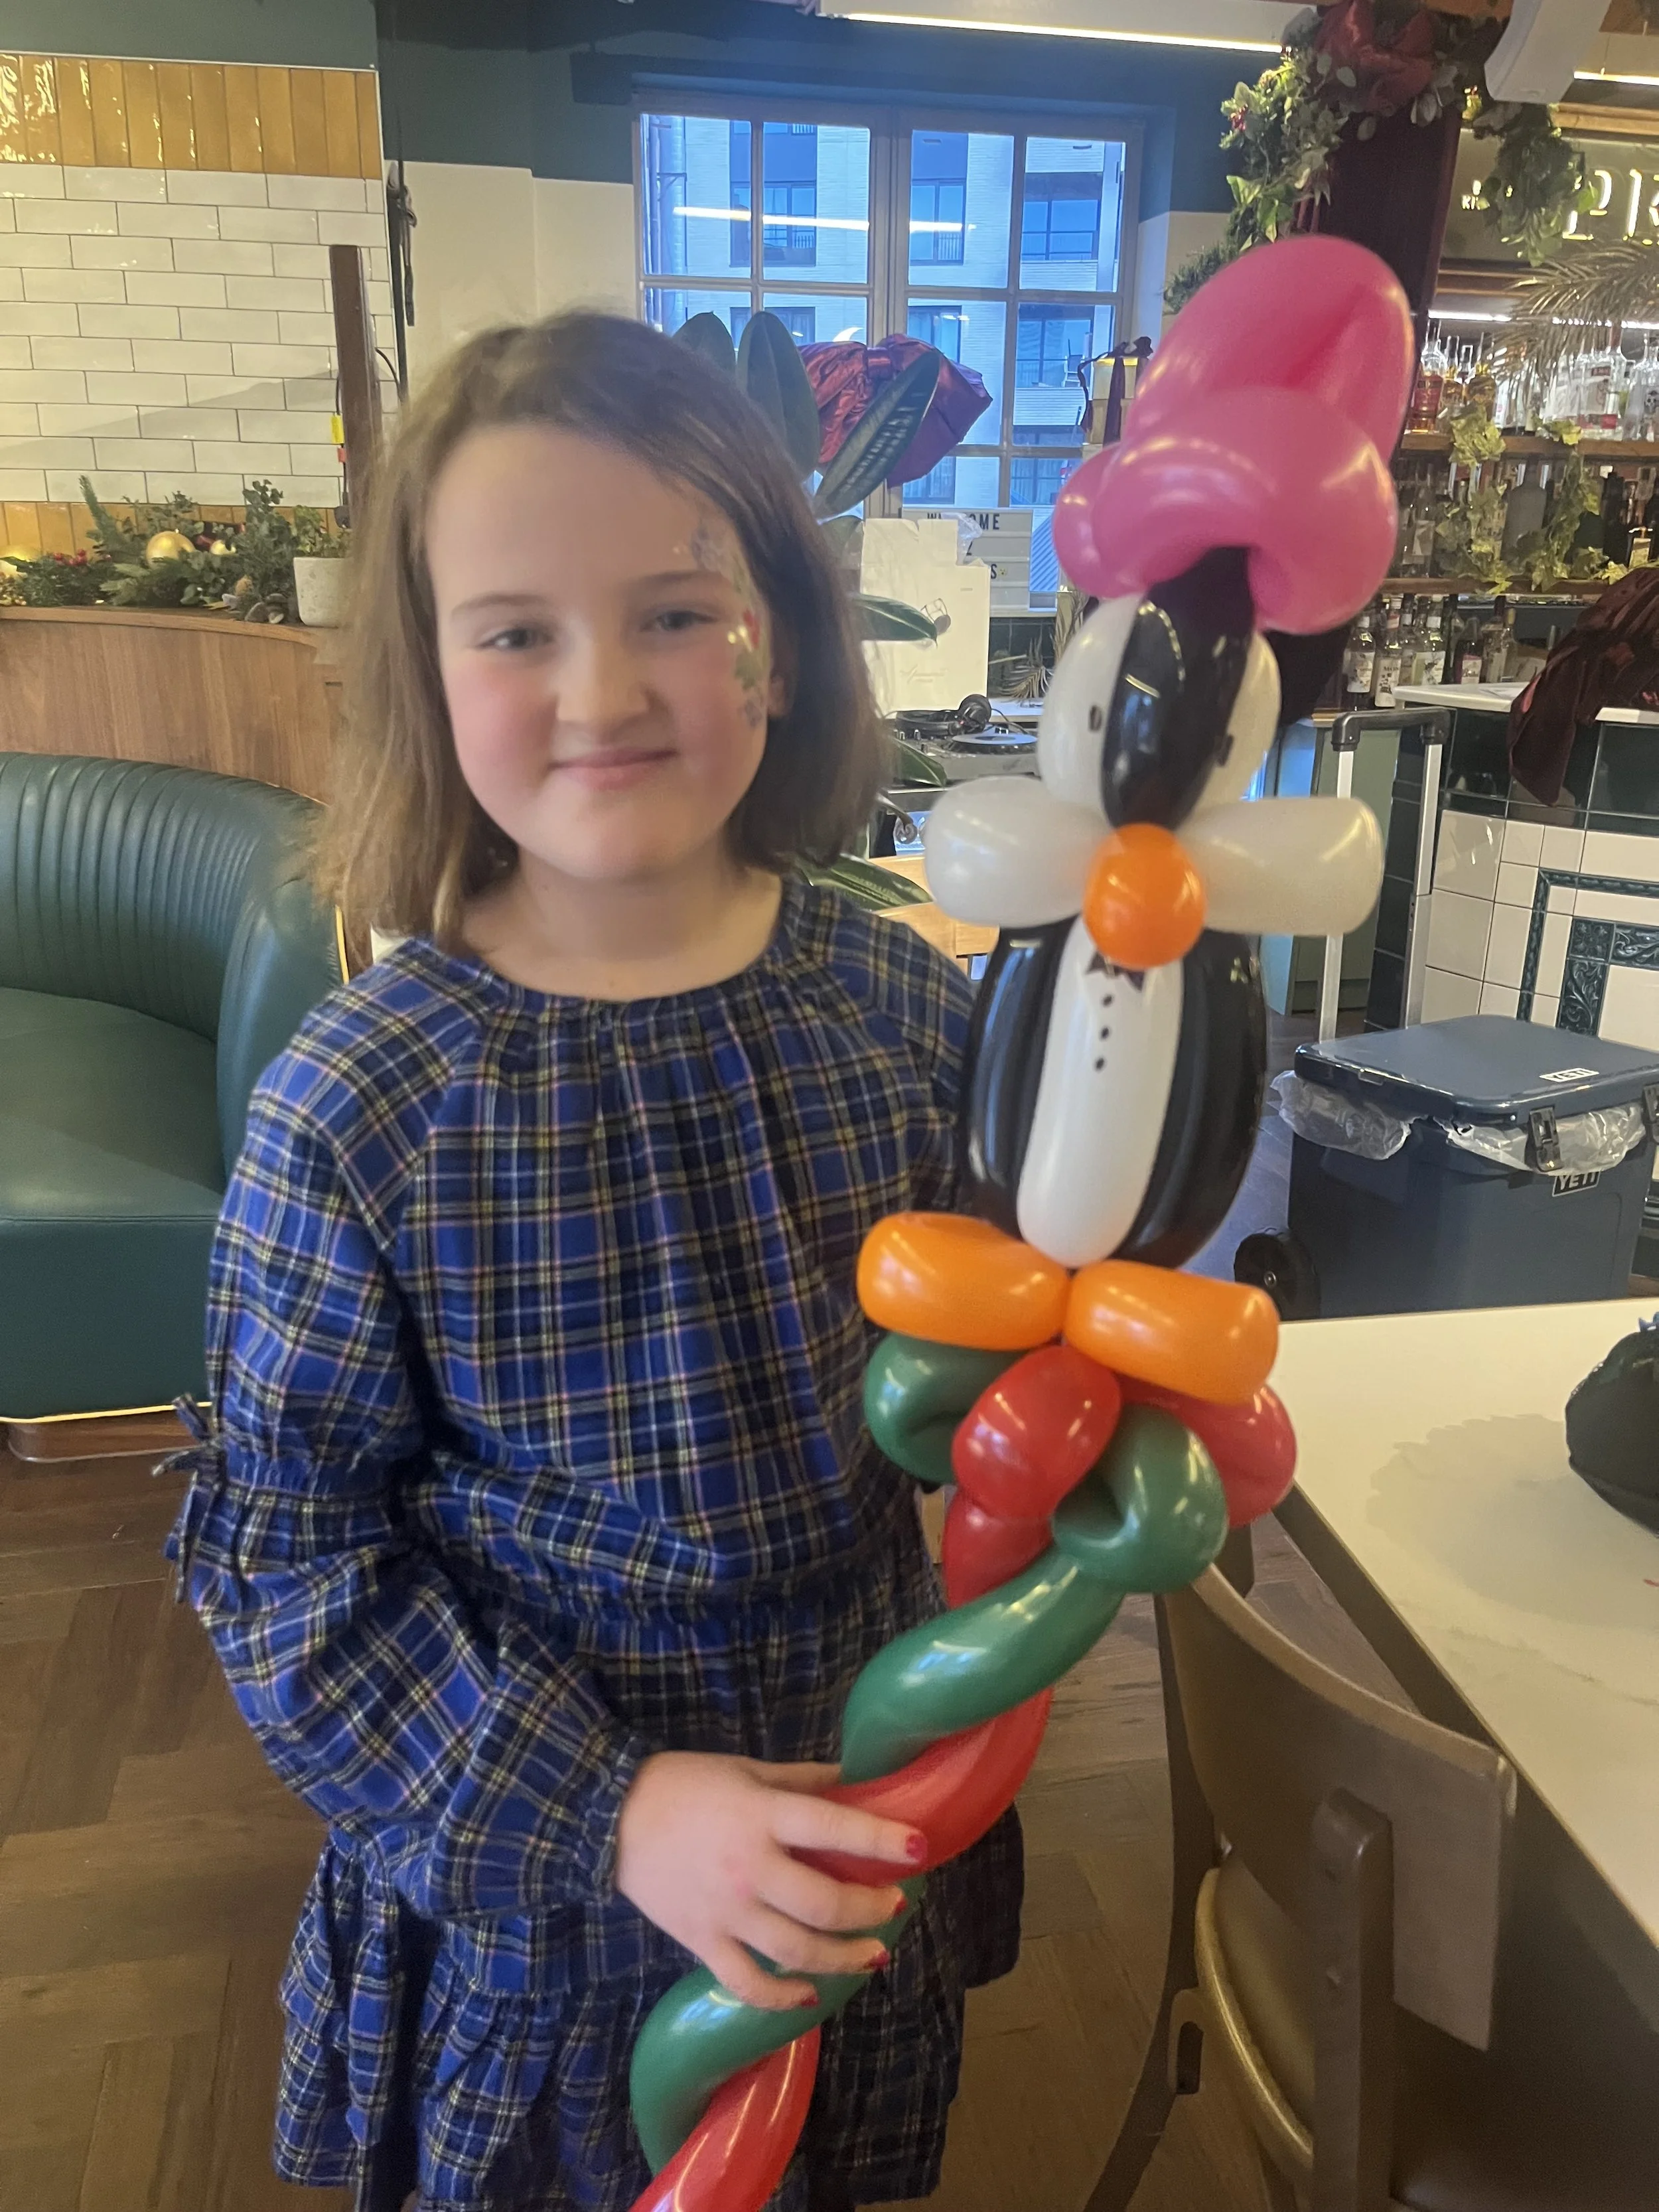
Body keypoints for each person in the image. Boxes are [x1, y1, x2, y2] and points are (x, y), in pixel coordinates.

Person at [169, 311, 1021, 2212]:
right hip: (540, 1904)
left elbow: (993, 1395)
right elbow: (284, 1567)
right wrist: (612, 1809)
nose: (603, 689)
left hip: (852, 1813)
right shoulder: (366, 1105)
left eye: (675, 612)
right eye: (515, 632)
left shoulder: (903, 1010)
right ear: (425, 674)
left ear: (780, 637)